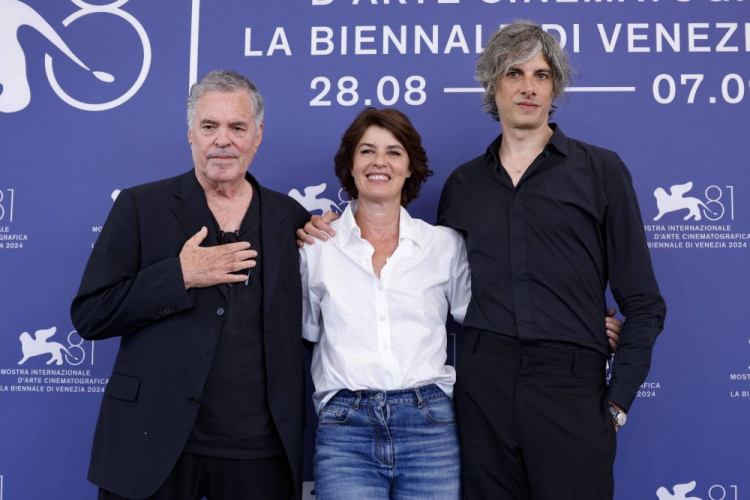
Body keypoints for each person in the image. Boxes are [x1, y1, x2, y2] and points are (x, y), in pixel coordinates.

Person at [299, 20, 662, 500]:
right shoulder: (464, 187)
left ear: (556, 87)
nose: (528, 87)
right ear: (494, 85)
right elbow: (451, 295)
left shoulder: (601, 170)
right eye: (514, 73)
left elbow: (645, 304)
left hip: (570, 387)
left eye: (541, 74)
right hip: (483, 390)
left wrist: (617, 403)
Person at [71, 70, 310, 500]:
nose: (223, 140)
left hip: (257, 451)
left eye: (237, 127)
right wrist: (179, 276)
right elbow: (91, 314)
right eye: (209, 126)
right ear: (190, 135)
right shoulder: (140, 206)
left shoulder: (287, 215)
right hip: (151, 443)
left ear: (257, 135)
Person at [301, 107, 470, 499]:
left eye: (394, 152)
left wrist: (574, 321)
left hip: (429, 424)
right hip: (345, 428)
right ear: (351, 164)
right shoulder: (315, 249)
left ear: (410, 167)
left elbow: (490, 314)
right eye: (367, 151)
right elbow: (304, 331)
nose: (380, 162)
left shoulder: (443, 245)